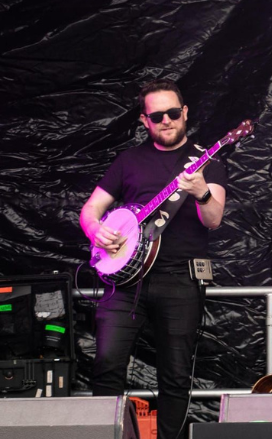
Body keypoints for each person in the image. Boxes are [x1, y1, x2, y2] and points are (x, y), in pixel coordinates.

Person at [80, 79, 228, 439]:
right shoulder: (128, 161)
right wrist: (95, 230)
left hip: (180, 280)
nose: (166, 121)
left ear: (185, 113)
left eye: (173, 113)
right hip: (124, 283)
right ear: (145, 121)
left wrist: (202, 192)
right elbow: (90, 211)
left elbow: (214, 219)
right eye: (157, 115)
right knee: (106, 364)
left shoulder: (206, 161)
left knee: (175, 375)